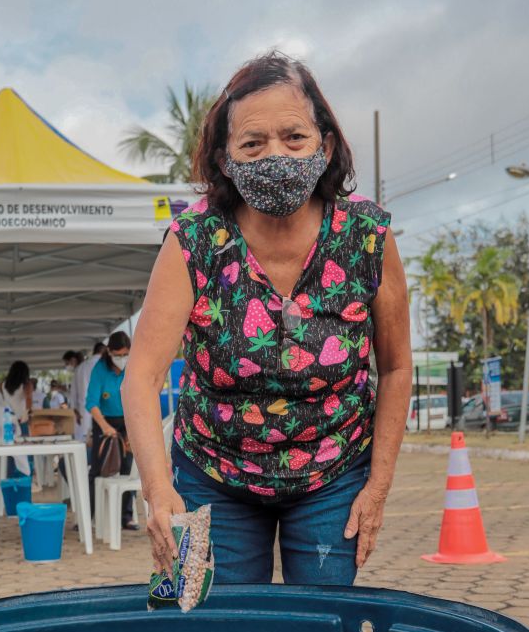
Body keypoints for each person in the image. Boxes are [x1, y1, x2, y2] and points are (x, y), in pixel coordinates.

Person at [122, 52, 411, 584]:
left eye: (294, 138)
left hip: (332, 473)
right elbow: (141, 375)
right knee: (191, 611)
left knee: (320, 630)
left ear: (324, 147)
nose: (275, 155)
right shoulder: (192, 240)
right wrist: (159, 490)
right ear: (225, 159)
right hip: (206, 472)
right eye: (253, 143)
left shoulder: (368, 236)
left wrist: (377, 486)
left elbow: (394, 368)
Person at [86, 331, 137, 531]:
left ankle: (126, 517)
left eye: (126, 354)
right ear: (109, 351)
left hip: (127, 420)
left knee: (128, 468)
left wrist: (132, 430)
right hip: (104, 421)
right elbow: (91, 402)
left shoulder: (133, 366)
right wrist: (105, 427)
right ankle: (91, 515)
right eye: (118, 355)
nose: (122, 359)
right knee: (99, 469)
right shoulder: (99, 369)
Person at [3, 360, 32, 479]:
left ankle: (11, 481)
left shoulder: (4, 384)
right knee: (26, 454)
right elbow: (29, 402)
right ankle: (26, 482)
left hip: (9, 422)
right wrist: (27, 415)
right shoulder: (26, 384)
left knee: (11, 454)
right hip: (22, 421)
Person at [71, 341, 105, 442]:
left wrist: (75, 411)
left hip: (84, 410)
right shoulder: (105, 365)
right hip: (103, 410)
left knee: (86, 440)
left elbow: (73, 393)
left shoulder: (80, 367)